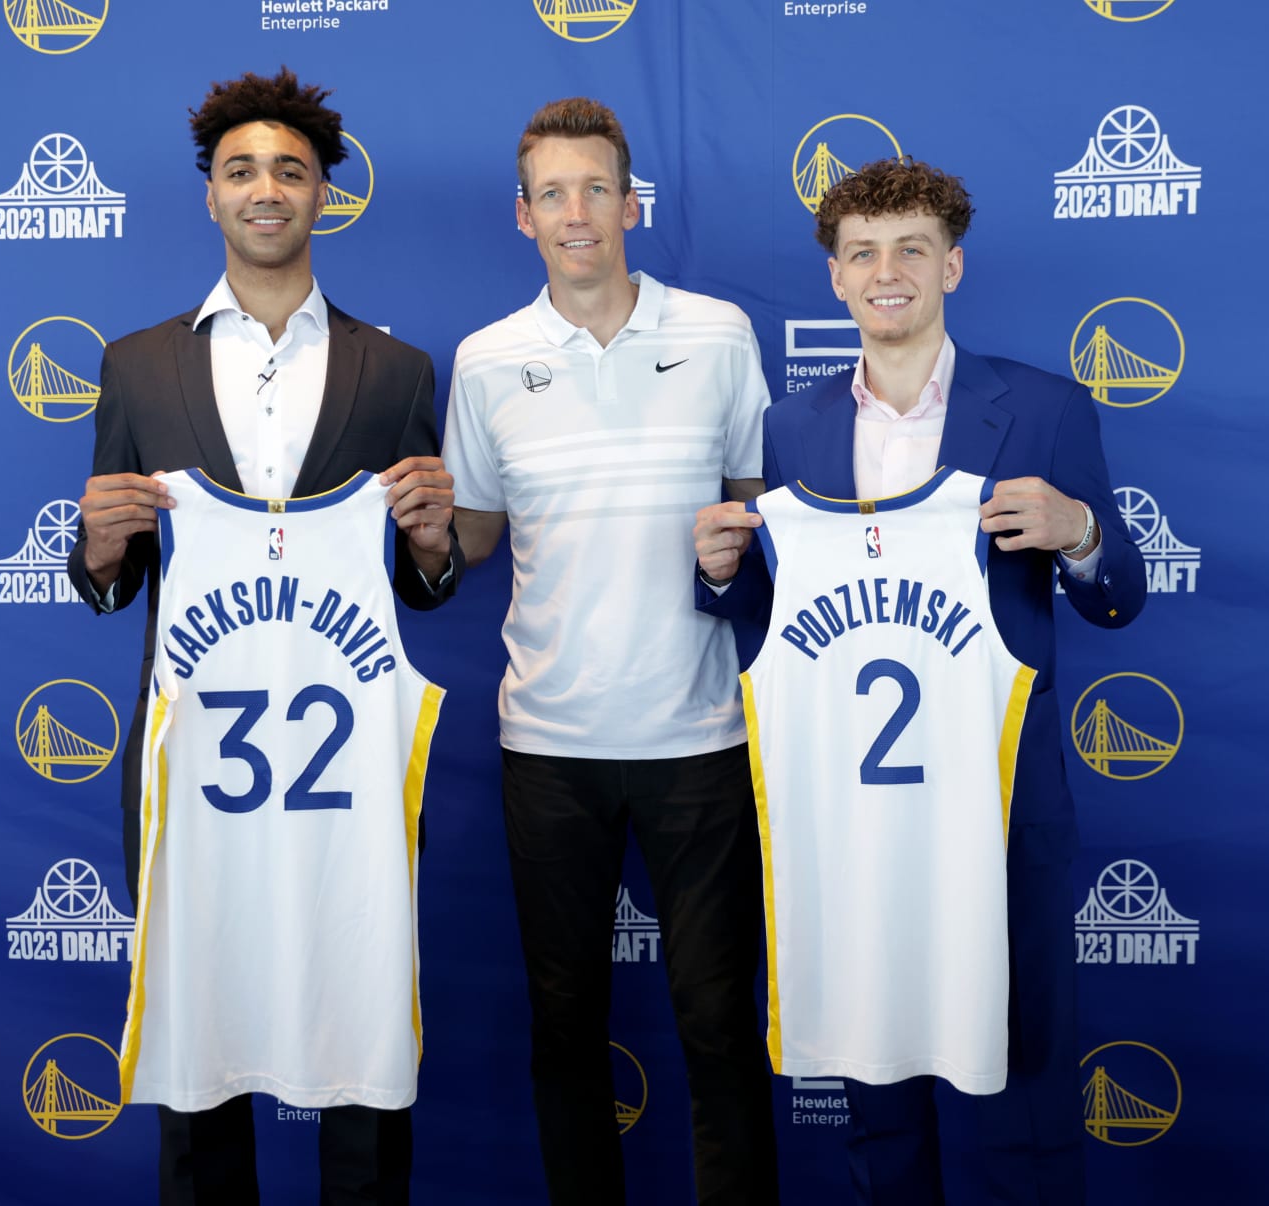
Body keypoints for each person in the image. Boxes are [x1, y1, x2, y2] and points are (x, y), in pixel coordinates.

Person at [693, 158, 1146, 1205]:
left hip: (997, 810)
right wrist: (720, 579)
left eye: (910, 250)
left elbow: (1118, 600)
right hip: (855, 817)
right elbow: (791, 627)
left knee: (1023, 1086)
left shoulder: (1041, 408)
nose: (885, 272)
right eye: (862, 254)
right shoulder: (792, 429)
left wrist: (1080, 534)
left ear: (952, 266)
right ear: (835, 278)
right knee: (876, 1094)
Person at [64, 67, 461, 1206]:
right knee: (198, 1053)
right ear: (212, 198)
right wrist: (95, 546)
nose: (266, 189)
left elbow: (420, 587)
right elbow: (117, 574)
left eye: (290, 169)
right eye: (242, 170)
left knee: (365, 1052)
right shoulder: (139, 363)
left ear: (325, 193)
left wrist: (434, 541)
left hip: (350, 780)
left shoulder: (399, 371)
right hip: (195, 771)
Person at [442, 97, 779, 1205]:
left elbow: (756, 517)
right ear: (523, 216)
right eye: (553, 193)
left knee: (723, 1023)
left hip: (703, 737)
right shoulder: (485, 361)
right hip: (549, 743)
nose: (576, 212)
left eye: (597, 188)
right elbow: (480, 536)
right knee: (563, 1023)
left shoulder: (720, 333)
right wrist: (418, 518)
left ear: (631, 201)